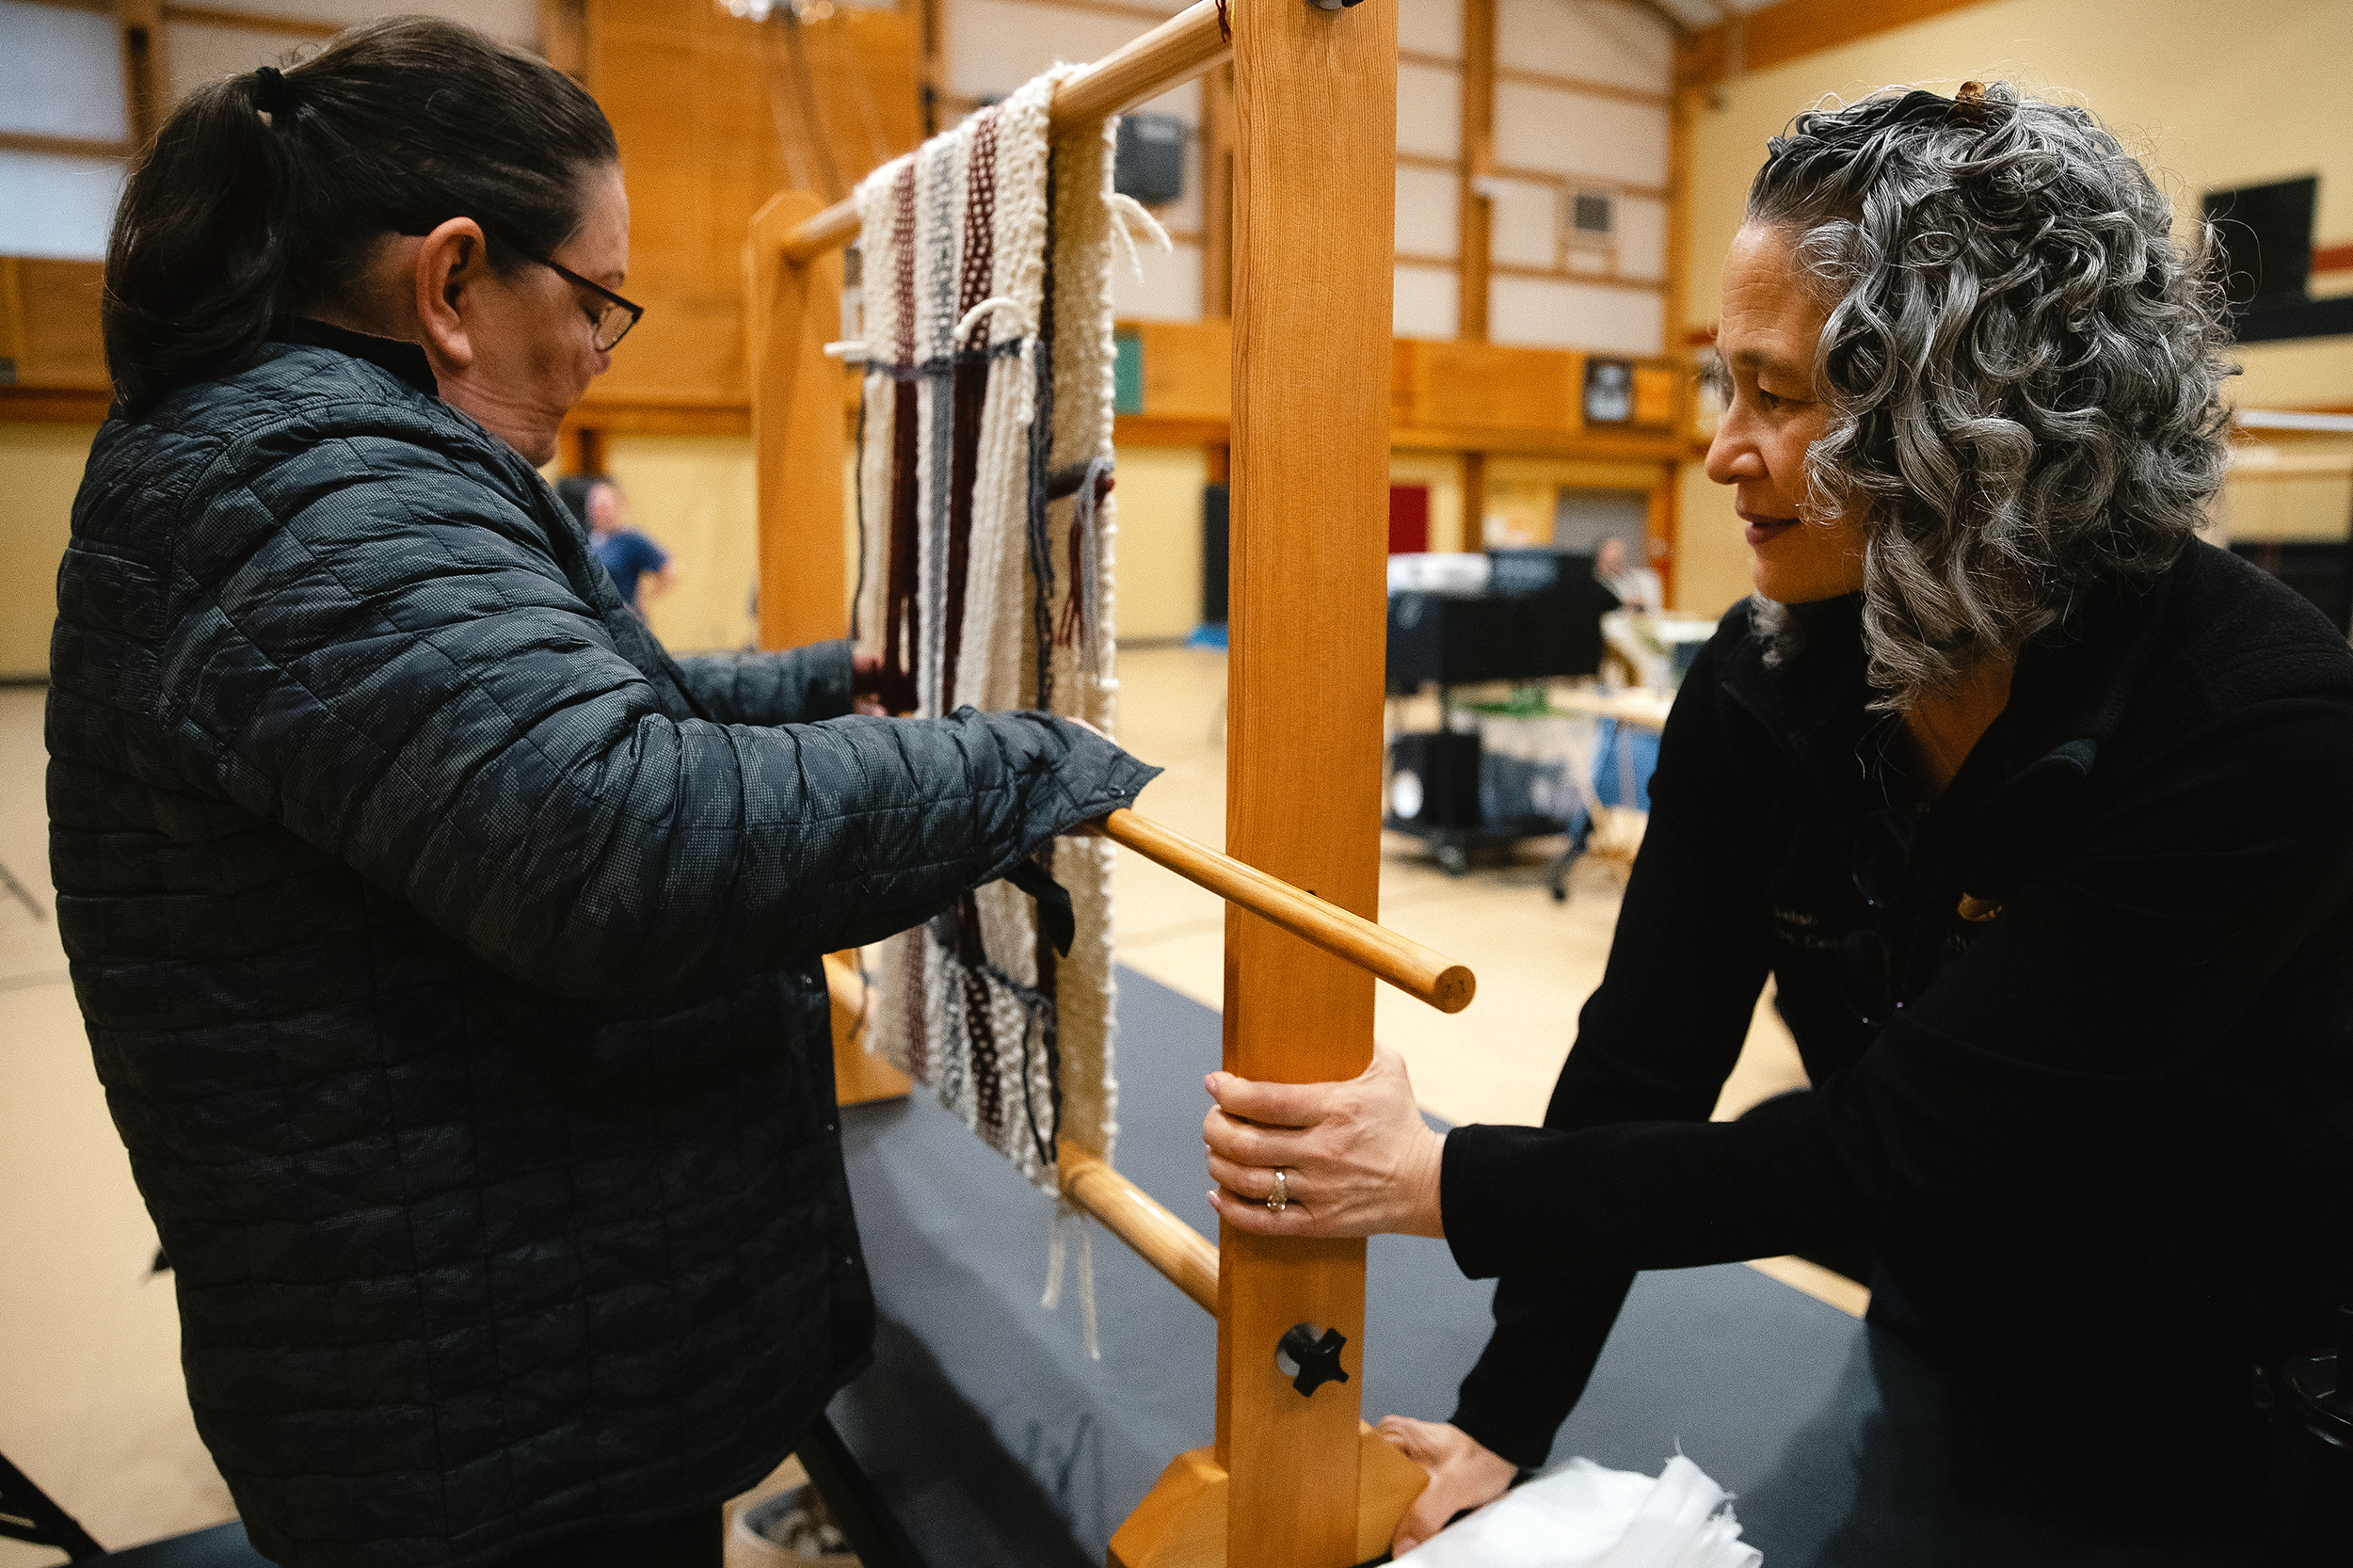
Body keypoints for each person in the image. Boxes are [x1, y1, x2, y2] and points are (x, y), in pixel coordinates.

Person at [52, 20, 1153, 1568]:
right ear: (448, 283)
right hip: (485, 1409)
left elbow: (530, 730)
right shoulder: (320, 488)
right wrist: (1028, 769)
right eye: (593, 303)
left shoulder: (296, 451)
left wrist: (815, 685)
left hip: (485, 1337)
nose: (594, 352)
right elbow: (619, 841)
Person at [1201, 84, 2353, 1559]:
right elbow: (1644, 1058)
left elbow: (1892, 1142)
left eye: (1778, 394)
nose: (1718, 451)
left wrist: (1440, 1178)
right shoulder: (1772, 675)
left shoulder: (2264, 732)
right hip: (1953, 1338)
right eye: (1719, 384)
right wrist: (1510, 1411)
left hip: (2243, 1399)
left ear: (1961, 424)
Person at [557, 472, 674, 616]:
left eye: (604, 506)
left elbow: (670, 568)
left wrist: (644, 601)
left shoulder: (630, 539)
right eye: (594, 505)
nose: (598, 510)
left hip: (622, 622)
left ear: (616, 507)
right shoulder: (583, 540)